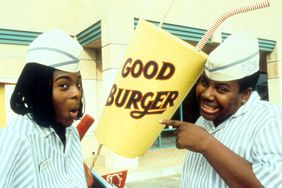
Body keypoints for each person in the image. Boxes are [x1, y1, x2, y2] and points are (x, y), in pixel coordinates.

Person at [160, 32, 282, 187]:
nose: (207, 94)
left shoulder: (270, 121)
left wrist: (205, 143)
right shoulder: (203, 120)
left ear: (245, 94)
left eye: (221, 89)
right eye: (204, 82)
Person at [0, 29, 87, 187]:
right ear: (40, 89)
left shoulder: (72, 133)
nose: (76, 93)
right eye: (64, 85)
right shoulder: (16, 137)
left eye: (78, 84)